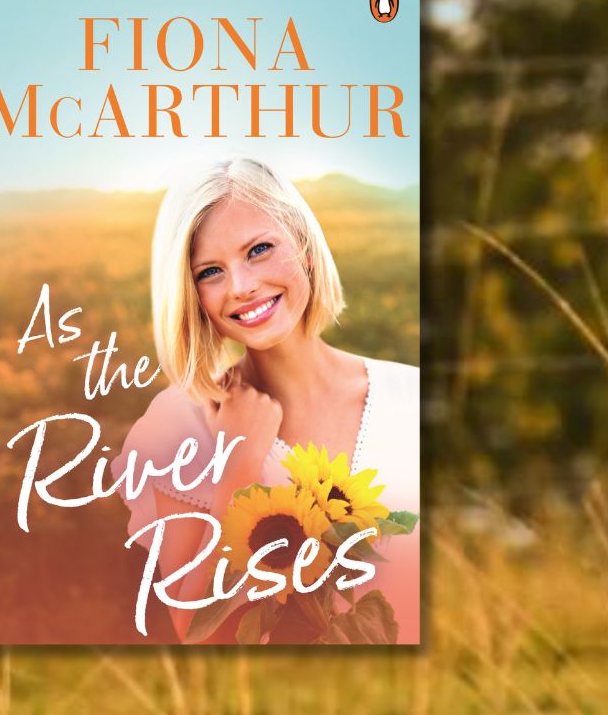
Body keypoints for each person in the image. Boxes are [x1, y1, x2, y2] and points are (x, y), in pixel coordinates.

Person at [120, 157, 418, 644]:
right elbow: (194, 631)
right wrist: (235, 462)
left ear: (303, 246)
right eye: (210, 271)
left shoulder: (410, 397)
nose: (240, 286)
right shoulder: (178, 427)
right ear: (190, 294)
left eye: (259, 249)